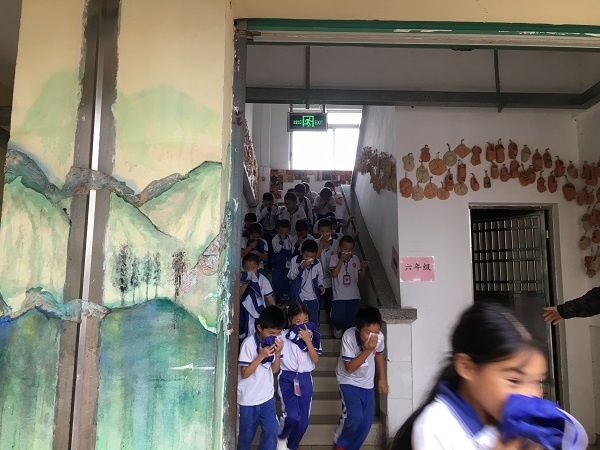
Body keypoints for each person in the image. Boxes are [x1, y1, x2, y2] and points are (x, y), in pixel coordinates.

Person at [391, 302, 588, 450]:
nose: (531, 394)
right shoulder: (436, 427)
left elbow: (573, 436)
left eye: (538, 381)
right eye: (514, 380)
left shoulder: (523, 423)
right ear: (466, 367)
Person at [334, 306, 388, 450]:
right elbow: (349, 368)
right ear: (358, 329)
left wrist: (382, 379)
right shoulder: (348, 336)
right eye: (368, 332)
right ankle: (340, 443)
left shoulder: (379, 337)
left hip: (367, 382)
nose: (373, 337)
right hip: (347, 379)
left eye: (376, 331)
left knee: (365, 424)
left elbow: (380, 354)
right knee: (354, 416)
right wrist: (368, 350)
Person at [237, 305, 286, 450]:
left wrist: (278, 353)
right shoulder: (248, 344)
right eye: (271, 333)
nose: (275, 337)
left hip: (267, 397)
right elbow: (245, 373)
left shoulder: (275, 343)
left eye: (278, 333)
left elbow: (275, 370)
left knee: (271, 431)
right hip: (248, 399)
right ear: (259, 328)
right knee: (245, 437)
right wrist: (261, 356)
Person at [277, 302, 321, 450]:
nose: (302, 325)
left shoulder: (313, 336)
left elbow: (315, 359)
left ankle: (292, 445)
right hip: (287, 378)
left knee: (303, 422)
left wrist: (308, 341)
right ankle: (281, 438)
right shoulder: (283, 336)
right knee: (291, 416)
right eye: (298, 321)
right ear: (290, 321)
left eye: (306, 320)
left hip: (305, 378)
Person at [329, 236, 368, 338]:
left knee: (352, 320)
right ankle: (338, 328)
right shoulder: (334, 258)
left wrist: (363, 268)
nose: (347, 252)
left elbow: (361, 277)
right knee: (338, 317)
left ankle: (348, 339)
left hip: (353, 295)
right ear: (339, 247)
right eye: (344, 249)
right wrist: (341, 260)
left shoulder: (355, 258)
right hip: (339, 295)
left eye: (350, 249)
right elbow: (334, 274)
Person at [239, 254, 276, 342]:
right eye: (247, 268)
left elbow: (269, 297)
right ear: (243, 267)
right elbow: (239, 294)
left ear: (258, 266)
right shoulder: (240, 278)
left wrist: (275, 311)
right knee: (246, 335)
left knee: (259, 334)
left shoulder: (263, 279)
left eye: (253, 267)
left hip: (259, 311)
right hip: (244, 312)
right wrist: (247, 282)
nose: (250, 270)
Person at [287, 239, 325, 325]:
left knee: (313, 322)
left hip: (313, 297)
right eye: (307, 256)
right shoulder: (295, 260)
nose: (309, 259)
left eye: (312, 257)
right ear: (301, 253)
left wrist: (321, 286)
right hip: (299, 296)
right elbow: (290, 276)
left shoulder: (317, 263)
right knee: (299, 321)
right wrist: (301, 267)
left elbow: (320, 277)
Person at [316, 219, 339, 315]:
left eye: (327, 231)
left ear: (331, 231)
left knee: (330, 299)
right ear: (318, 231)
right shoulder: (315, 242)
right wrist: (321, 243)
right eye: (322, 231)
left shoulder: (336, 244)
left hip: (332, 277)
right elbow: (315, 258)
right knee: (318, 300)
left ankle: (329, 316)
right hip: (319, 277)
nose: (325, 234)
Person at [271, 220, 294, 305]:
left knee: (287, 280)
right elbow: (276, 250)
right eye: (282, 232)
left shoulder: (291, 238)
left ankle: (286, 295)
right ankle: (279, 301)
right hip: (278, 263)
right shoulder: (275, 239)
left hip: (287, 263)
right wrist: (282, 240)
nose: (284, 234)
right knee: (277, 283)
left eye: (286, 232)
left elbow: (291, 249)